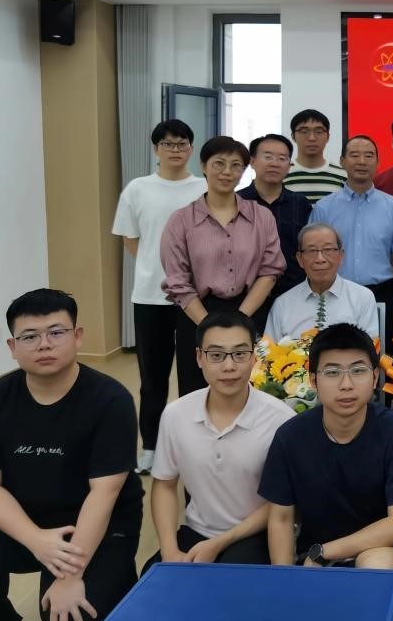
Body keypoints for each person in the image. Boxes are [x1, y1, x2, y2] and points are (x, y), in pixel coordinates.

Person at [0, 290, 142, 621]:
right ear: (13, 347)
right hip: (22, 520)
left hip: (93, 523)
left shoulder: (110, 400)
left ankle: (114, 581)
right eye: (30, 336)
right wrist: (36, 539)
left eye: (56, 332)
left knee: (77, 617)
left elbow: (104, 493)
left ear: (77, 337)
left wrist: (71, 574)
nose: (44, 344)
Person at [260, 324, 393, 569]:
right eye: (332, 372)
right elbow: (281, 518)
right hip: (311, 550)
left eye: (358, 371)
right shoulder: (290, 436)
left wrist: (324, 553)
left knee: (377, 564)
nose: (346, 384)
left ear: (375, 377)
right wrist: (287, 579)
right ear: (313, 380)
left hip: (380, 546)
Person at [145, 312, 294, 568]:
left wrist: (221, 542)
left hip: (257, 534)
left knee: (230, 584)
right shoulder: (176, 414)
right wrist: (169, 551)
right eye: (216, 355)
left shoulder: (281, 420)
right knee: (153, 577)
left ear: (254, 357)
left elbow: (284, 503)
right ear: (199, 358)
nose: (228, 366)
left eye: (239, 354)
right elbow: (165, 485)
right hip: (197, 531)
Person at [111, 118, 206, 474]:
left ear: (191, 148)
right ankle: (151, 446)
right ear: (156, 149)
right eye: (168, 144)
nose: (175, 150)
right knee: (152, 378)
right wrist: (159, 267)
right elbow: (130, 238)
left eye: (182, 143)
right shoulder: (137, 189)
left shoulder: (204, 187)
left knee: (194, 375)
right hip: (150, 296)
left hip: (196, 298)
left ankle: (191, 445)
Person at [161, 136, 286, 396]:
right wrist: (208, 325)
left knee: (253, 388)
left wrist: (241, 318)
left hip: (250, 311)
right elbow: (178, 281)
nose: (227, 172)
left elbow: (270, 270)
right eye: (219, 163)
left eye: (235, 165)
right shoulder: (181, 220)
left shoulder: (262, 216)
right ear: (203, 166)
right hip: (197, 314)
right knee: (196, 391)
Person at [309, 134, 393, 347]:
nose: (362, 161)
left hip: (382, 292)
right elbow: (313, 257)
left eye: (368, 155)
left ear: (378, 162)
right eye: (354, 155)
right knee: (336, 350)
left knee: (381, 355)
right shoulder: (324, 208)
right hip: (335, 292)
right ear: (342, 161)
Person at [265, 223, 381, 343]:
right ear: (300, 259)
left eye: (328, 249)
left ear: (341, 256)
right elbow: (268, 351)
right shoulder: (282, 304)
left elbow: (370, 349)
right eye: (311, 251)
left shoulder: (363, 298)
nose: (320, 259)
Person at [239, 133, 314, 300]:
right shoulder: (237, 202)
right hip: (246, 295)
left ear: (289, 166)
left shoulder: (300, 204)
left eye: (282, 158)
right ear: (252, 161)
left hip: (294, 294)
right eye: (268, 157)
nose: (274, 163)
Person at [283, 109, 347, 202]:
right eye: (304, 131)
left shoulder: (343, 175)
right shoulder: (282, 174)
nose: (312, 138)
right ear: (293, 136)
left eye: (319, 132)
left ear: (328, 137)